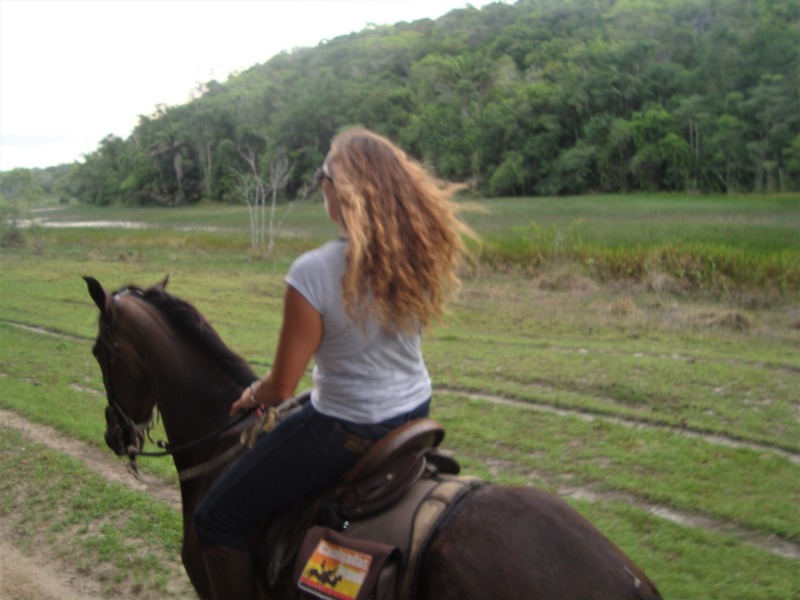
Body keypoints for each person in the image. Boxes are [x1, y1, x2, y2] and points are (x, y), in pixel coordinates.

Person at [194, 126, 474, 600]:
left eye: (323, 173)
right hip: (415, 411)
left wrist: (251, 395)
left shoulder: (314, 271)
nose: (320, 182)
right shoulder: (412, 255)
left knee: (215, 517)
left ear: (338, 189)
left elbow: (282, 387)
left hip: (349, 428)